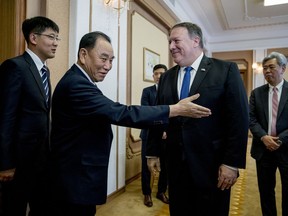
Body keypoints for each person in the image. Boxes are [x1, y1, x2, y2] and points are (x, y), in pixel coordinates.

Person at [48, 31, 212, 216]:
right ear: (83, 54)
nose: (108, 66)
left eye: (111, 60)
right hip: (74, 179)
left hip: (78, 175)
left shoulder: (80, 81)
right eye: (103, 58)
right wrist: (173, 110)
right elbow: (121, 112)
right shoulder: (76, 85)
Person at [146, 22, 249, 216]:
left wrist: (231, 163)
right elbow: (158, 115)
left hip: (212, 166)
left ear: (195, 41)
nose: (171, 47)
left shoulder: (225, 70)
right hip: (176, 165)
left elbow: (239, 119)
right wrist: (153, 152)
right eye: (169, 42)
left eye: (176, 40)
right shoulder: (167, 77)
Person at [0, 16, 60, 216]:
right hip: (19, 162)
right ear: (33, 37)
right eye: (51, 37)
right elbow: (5, 118)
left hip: (42, 159)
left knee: (42, 207)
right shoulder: (15, 67)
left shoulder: (44, 70)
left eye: (57, 38)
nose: (55, 43)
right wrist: (6, 164)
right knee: (13, 209)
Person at [249, 51, 288, 216]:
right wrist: (264, 137)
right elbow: (250, 119)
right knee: (265, 192)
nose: (267, 71)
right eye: (264, 68)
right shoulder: (256, 93)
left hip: (286, 149)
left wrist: (279, 140)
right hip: (263, 150)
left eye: (271, 67)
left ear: (283, 68)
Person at [140, 64, 169, 207]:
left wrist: (166, 130)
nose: (159, 76)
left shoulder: (170, 92)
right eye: (156, 73)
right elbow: (146, 113)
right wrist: (160, 128)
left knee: (166, 165)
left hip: (166, 136)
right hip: (148, 134)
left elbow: (172, 114)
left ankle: (161, 191)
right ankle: (147, 193)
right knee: (146, 167)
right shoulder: (147, 91)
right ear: (153, 76)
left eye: (162, 73)